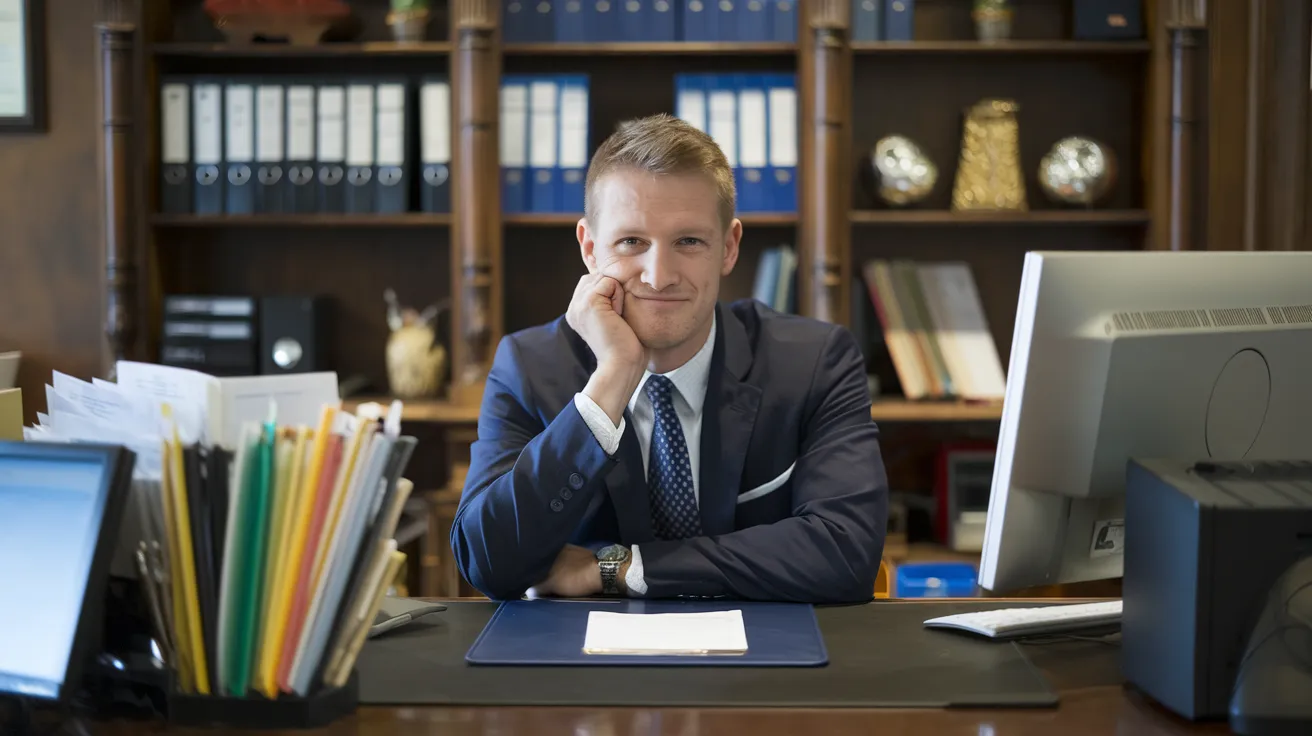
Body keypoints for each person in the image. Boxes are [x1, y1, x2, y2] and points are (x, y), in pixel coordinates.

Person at [450, 113, 888, 603]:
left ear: (728, 247)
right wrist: (610, 382)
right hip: (582, 667)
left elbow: (847, 553)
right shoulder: (529, 367)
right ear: (590, 249)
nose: (659, 276)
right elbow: (488, 562)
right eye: (632, 242)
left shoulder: (814, 362)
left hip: (765, 662)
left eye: (688, 242)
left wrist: (618, 569)